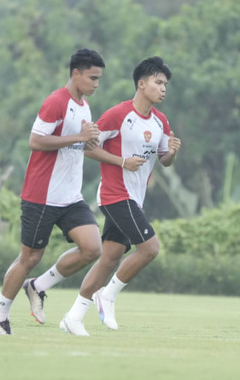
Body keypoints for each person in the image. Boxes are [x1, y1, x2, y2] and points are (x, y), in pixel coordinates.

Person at [0, 48, 105, 335]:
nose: (96, 83)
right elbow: (36, 141)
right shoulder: (56, 101)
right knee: (29, 258)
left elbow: (80, 145)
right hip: (42, 195)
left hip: (71, 196)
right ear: (75, 73)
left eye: (99, 78)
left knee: (92, 248)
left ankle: (38, 287)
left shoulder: (84, 106)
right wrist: (79, 136)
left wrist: (92, 143)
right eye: (92, 77)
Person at [62, 56, 181, 335]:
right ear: (141, 84)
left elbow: (164, 161)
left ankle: (74, 316)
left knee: (110, 258)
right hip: (116, 195)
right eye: (158, 82)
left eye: (165, 84)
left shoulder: (161, 121)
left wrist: (172, 152)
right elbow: (88, 148)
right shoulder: (118, 114)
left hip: (134, 199)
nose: (163, 88)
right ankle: (108, 295)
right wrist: (122, 161)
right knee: (150, 248)